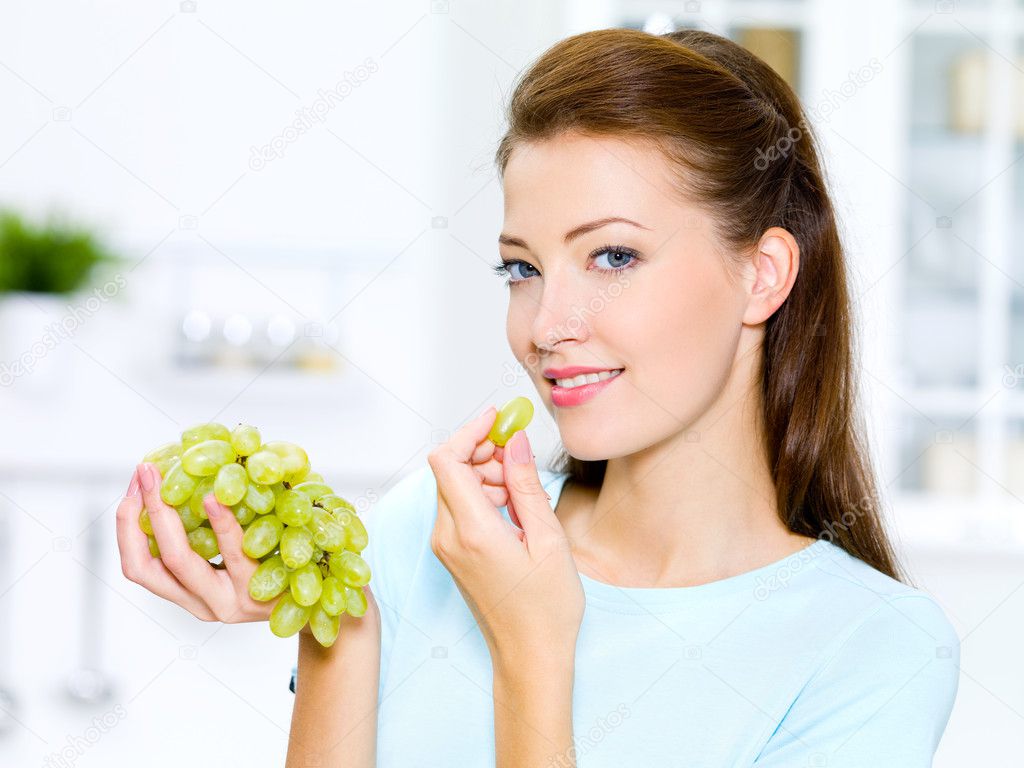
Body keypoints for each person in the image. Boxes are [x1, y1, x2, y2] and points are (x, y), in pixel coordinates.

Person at [116, 27, 960, 767]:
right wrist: (345, 624)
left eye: (613, 257)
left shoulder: (872, 652)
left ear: (762, 275)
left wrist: (531, 649)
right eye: (522, 268)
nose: (546, 325)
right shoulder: (432, 533)